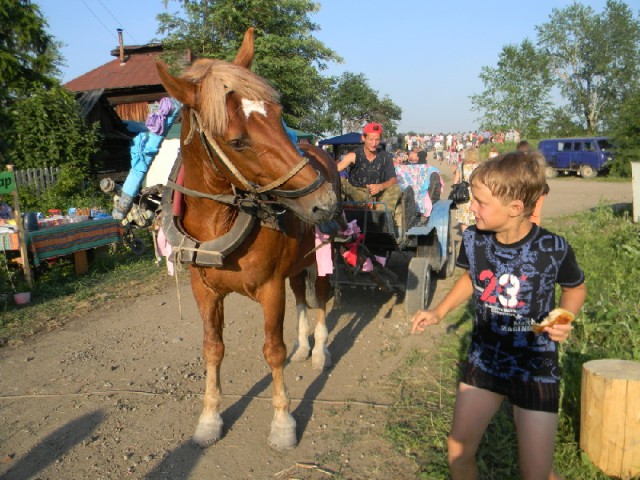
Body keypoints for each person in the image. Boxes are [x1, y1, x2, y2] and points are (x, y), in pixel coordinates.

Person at [411, 151, 587, 480]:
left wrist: (564, 316)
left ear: (515, 209)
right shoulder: (475, 240)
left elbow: (575, 289)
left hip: (536, 368)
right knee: (458, 450)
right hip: (485, 361)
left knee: (535, 473)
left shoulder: (553, 248)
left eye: (479, 201)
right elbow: (472, 277)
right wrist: (438, 311)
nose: (470, 208)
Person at [337, 123, 403, 216]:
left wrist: (380, 187)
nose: (374, 143)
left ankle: (382, 217)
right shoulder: (353, 155)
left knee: (396, 188)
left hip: (379, 196)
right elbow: (335, 170)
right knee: (339, 181)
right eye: (371, 139)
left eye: (377, 140)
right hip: (357, 194)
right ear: (363, 138)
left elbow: (393, 180)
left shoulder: (386, 157)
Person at [518, 140, 550, 225]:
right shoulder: (536, 160)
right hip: (538, 190)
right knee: (535, 214)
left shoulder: (520, 163)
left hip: (529, 190)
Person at [452, 148, 480, 232]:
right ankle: (476, 236)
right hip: (476, 193)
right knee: (476, 215)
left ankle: (466, 238)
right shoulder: (479, 167)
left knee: (464, 219)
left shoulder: (461, 166)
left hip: (464, 193)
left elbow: (455, 181)